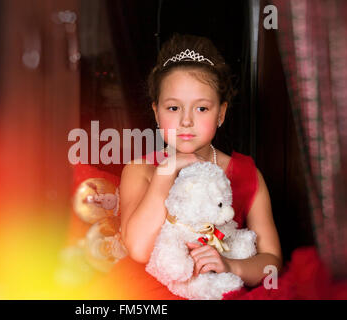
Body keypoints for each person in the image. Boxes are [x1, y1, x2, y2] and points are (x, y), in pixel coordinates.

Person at [114, 34, 283, 299]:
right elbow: (137, 249)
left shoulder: (246, 174)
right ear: (157, 113)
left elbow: (272, 261)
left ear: (221, 113)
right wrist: (165, 174)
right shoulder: (140, 170)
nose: (186, 121)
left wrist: (231, 265)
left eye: (202, 109)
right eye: (173, 108)